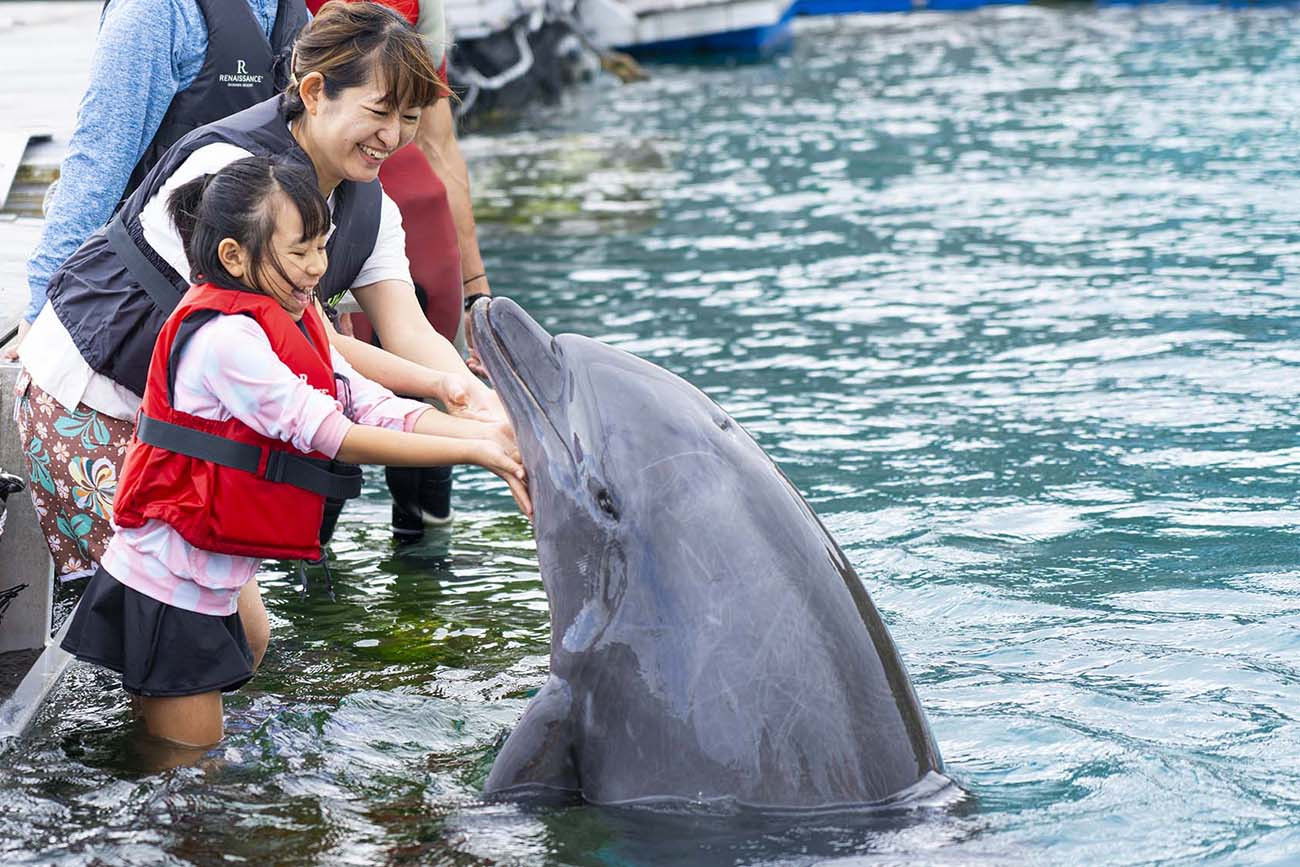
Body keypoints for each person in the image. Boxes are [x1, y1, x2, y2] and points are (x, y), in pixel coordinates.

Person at [14, 1, 504, 667]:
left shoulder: (370, 202)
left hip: (176, 420)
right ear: (312, 92)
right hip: (90, 404)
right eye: (378, 112)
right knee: (186, 647)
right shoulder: (233, 182)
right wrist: (470, 428)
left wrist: (464, 390)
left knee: (245, 639)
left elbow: (406, 330)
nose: (392, 136)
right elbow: (314, 350)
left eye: (409, 119)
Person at [59, 155, 531, 751]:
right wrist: (475, 455)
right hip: (166, 589)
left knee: (238, 682)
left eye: (322, 248)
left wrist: (489, 432)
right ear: (234, 256)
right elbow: (329, 432)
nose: (317, 269)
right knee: (189, 777)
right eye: (299, 253)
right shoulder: (225, 339)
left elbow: (361, 400)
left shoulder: (293, 315)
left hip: (215, 577)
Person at [5, 0, 309, 363]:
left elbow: (97, 162)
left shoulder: (292, 14)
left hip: (254, 297)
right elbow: (99, 161)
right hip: (161, 296)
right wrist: (45, 304)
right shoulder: (157, 11)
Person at [306, 0, 496, 541]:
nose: (395, 128)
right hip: (337, 216)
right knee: (331, 415)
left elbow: (439, 144)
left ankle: (418, 583)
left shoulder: (422, 14)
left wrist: (475, 291)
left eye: (403, 116)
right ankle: (318, 585)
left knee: (424, 419)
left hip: (409, 228)